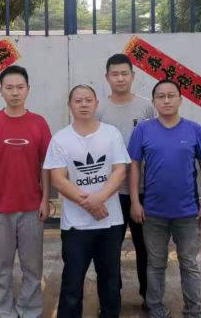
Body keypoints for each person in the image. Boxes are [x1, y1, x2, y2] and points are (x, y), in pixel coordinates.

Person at [127, 79, 201, 318]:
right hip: (153, 213)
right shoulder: (143, 130)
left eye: (171, 95)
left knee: (189, 264)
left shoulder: (194, 129)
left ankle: (193, 311)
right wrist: (135, 202)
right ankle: (156, 309)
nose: (166, 100)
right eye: (160, 96)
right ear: (153, 101)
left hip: (187, 213)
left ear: (180, 100)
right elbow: (134, 166)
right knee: (155, 265)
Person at [44, 84, 130, 318]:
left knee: (110, 281)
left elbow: (120, 171)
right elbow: (58, 179)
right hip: (76, 226)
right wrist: (91, 205)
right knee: (72, 282)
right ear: (70, 105)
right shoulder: (60, 139)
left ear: (96, 104)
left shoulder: (111, 134)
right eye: (78, 100)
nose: (84, 104)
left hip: (110, 222)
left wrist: (99, 199)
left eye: (88, 100)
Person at [0, 65, 52, 318]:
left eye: (20, 87)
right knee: (0, 267)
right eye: (9, 88)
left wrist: (45, 199)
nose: (15, 92)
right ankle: (5, 311)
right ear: (1, 91)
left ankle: (29, 310)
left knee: (32, 267)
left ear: (28, 89)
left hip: (31, 208)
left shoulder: (39, 123)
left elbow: (46, 164)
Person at [96, 53, 155, 308]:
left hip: (143, 191)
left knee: (146, 248)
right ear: (107, 77)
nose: (120, 78)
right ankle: (111, 300)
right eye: (115, 74)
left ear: (133, 76)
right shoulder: (99, 109)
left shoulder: (146, 107)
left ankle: (149, 297)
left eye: (124, 73)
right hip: (110, 192)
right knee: (109, 250)